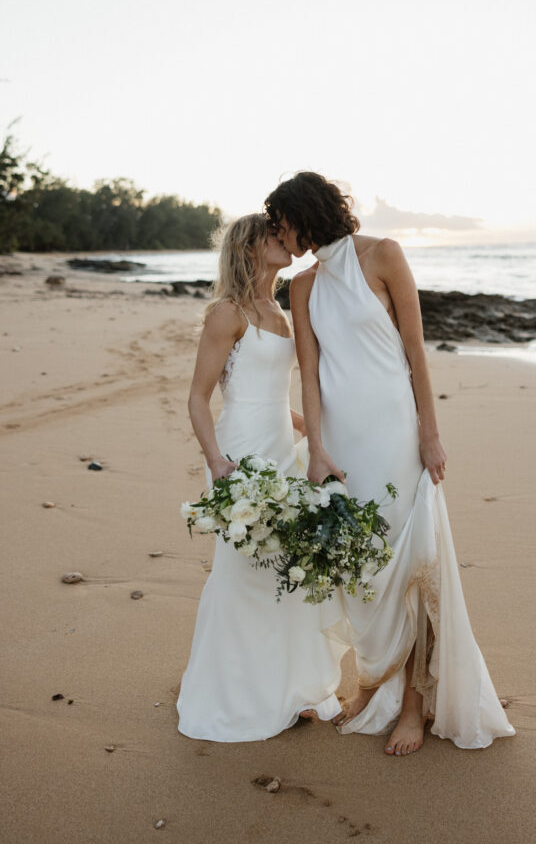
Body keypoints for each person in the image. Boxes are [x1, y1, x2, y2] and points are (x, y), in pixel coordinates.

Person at [264, 173, 515, 756]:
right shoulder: (302, 286)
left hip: (397, 435)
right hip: (345, 444)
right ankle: (375, 684)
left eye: (282, 220)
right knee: (362, 566)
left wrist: (430, 433)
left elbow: (415, 350)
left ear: (305, 214)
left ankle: (413, 705)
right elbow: (310, 375)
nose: (280, 232)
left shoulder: (383, 255)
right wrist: (318, 449)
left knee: (412, 560)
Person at [176, 214, 343, 742]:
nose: (286, 241)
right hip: (238, 453)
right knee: (242, 571)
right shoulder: (227, 313)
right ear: (250, 246)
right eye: (275, 235)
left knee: (285, 571)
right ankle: (231, 693)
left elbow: (274, 394)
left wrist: (313, 434)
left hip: (278, 448)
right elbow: (199, 398)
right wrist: (218, 462)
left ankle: (286, 689)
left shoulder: (280, 310)